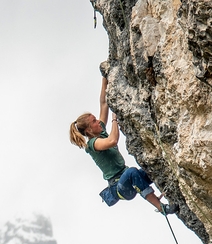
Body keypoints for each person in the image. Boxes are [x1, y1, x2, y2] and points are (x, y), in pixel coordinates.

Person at [69, 76, 179, 215]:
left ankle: (170, 189)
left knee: (151, 168)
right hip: (119, 187)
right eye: (94, 121)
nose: (98, 121)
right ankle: (161, 207)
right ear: (89, 130)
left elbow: (103, 104)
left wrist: (104, 78)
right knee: (132, 172)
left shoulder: (100, 131)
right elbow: (113, 141)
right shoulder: (92, 144)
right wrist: (115, 119)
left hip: (127, 180)